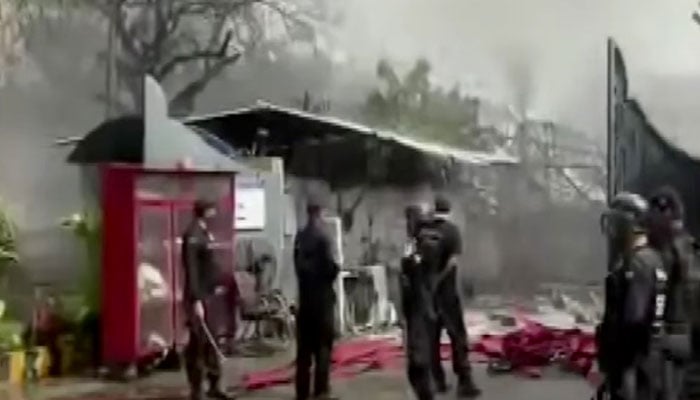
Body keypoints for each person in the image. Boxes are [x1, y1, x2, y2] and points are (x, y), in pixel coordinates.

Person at [597, 192, 666, 400]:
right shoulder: (654, 258)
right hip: (649, 363)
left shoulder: (636, 264)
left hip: (633, 369)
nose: (612, 232)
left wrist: (621, 373)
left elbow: (633, 322)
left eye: (616, 224)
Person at [427, 196, 481, 398]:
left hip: (428, 295)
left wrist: (429, 285)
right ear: (449, 210)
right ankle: (464, 382)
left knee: (431, 339)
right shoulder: (452, 231)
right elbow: (452, 262)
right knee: (457, 337)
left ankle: (437, 381)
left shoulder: (424, 231)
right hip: (447, 294)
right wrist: (439, 280)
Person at [648, 187, 696, 399]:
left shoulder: (668, 250)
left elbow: (657, 290)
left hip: (670, 333)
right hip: (688, 334)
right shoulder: (691, 246)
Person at [182, 200, 232, 400]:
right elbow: (192, 269)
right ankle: (196, 388)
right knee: (198, 343)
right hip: (199, 297)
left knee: (212, 341)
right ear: (206, 212)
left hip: (209, 295)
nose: (215, 215)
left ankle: (214, 384)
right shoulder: (193, 235)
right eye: (212, 211)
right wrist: (196, 300)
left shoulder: (203, 233)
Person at [293, 202, 340, 400]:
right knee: (322, 347)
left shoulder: (300, 237)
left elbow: (297, 265)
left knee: (304, 351)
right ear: (320, 213)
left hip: (305, 300)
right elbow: (331, 268)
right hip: (322, 300)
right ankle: (321, 390)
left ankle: (302, 391)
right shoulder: (324, 238)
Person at [401, 204, 438, 400]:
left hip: (421, 307)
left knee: (420, 359)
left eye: (410, 220)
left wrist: (411, 261)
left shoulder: (427, 243)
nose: (407, 225)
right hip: (414, 306)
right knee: (415, 362)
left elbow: (421, 270)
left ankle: (426, 394)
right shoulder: (414, 244)